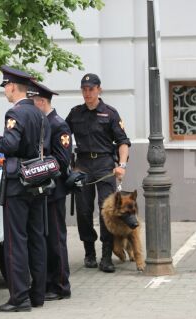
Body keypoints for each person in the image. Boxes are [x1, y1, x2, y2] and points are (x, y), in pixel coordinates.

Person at [0, 66, 50, 312]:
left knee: (16, 240)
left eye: (5, 86)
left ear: (13, 87)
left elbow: (10, 144)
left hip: (18, 182)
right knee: (36, 238)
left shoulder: (15, 113)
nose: (5, 90)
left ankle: (19, 298)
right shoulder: (39, 114)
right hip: (37, 179)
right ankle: (38, 295)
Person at [65, 73, 131, 273]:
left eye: (91, 89)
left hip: (104, 166)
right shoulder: (75, 113)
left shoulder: (110, 113)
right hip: (83, 165)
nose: (87, 93)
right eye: (84, 89)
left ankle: (106, 256)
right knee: (84, 212)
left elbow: (123, 142)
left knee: (106, 212)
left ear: (99, 90)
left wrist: (122, 165)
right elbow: (63, 137)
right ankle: (89, 253)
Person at [28, 80, 72, 301]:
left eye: (32, 102)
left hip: (54, 191)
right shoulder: (43, 123)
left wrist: (40, 167)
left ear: (41, 101)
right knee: (43, 239)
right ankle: (45, 283)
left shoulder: (58, 125)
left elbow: (62, 161)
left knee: (56, 239)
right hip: (41, 191)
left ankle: (61, 285)